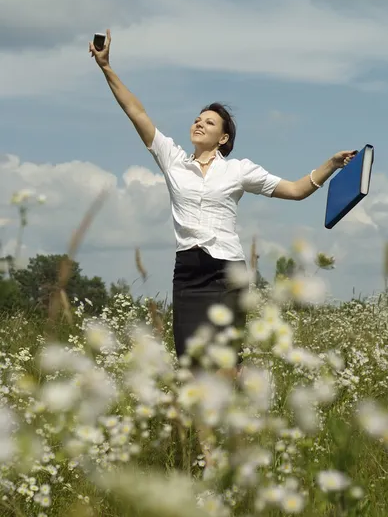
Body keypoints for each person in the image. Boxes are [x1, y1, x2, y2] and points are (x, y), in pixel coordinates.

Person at [89, 29, 357, 370]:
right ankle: (197, 425)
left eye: (209, 122)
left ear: (223, 137)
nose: (199, 123)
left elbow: (296, 190)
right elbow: (137, 113)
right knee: (191, 364)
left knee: (227, 362)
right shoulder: (172, 159)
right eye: (197, 119)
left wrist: (332, 165)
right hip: (187, 274)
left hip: (227, 272)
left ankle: (232, 419)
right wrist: (107, 67)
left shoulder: (240, 171)